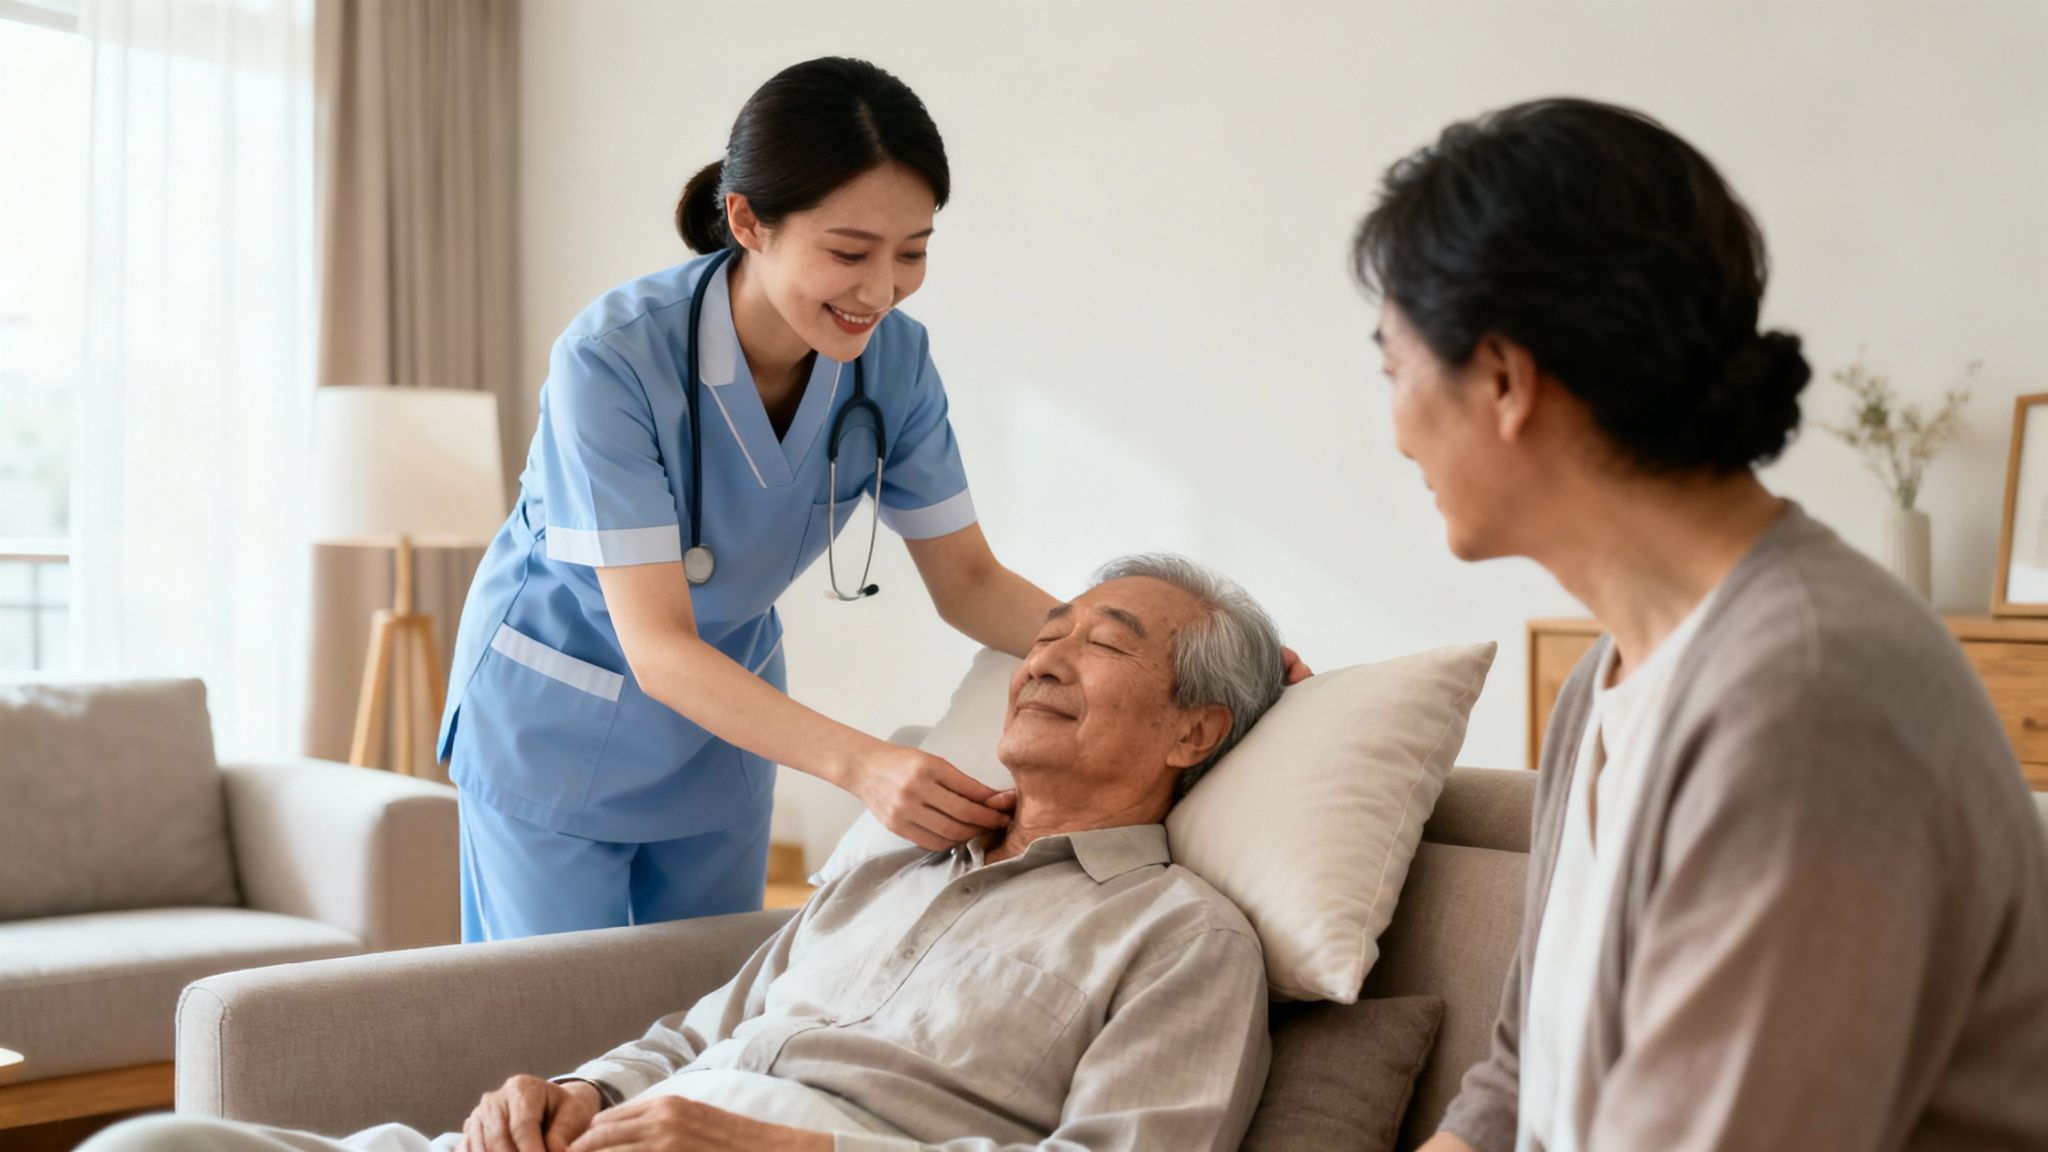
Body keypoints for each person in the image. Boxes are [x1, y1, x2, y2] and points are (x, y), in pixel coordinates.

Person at [1353, 99, 2048, 1152]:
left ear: (1501, 378)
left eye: (1391, 369)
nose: (1394, 429)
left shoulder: (1806, 695)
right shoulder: (1608, 679)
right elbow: (1514, 1086)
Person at [83, 554, 1285, 1152]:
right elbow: (692, 1037)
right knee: (153, 1143)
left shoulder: (1178, 937)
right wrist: (577, 1090)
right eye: (1047, 635)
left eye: (1102, 644)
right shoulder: (895, 867)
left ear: (1194, 727)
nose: (1040, 660)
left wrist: (774, 1148)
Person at [435, 56, 1061, 942]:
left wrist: (1180, 659)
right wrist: (868, 767)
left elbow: (971, 583)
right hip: (557, 727)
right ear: (747, 220)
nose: (880, 291)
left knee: (702, 1027)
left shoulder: (896, 364)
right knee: (551, 1032)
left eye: (912, 253)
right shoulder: (612, 360)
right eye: (849, 252)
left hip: (726, 733)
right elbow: (654, 645)